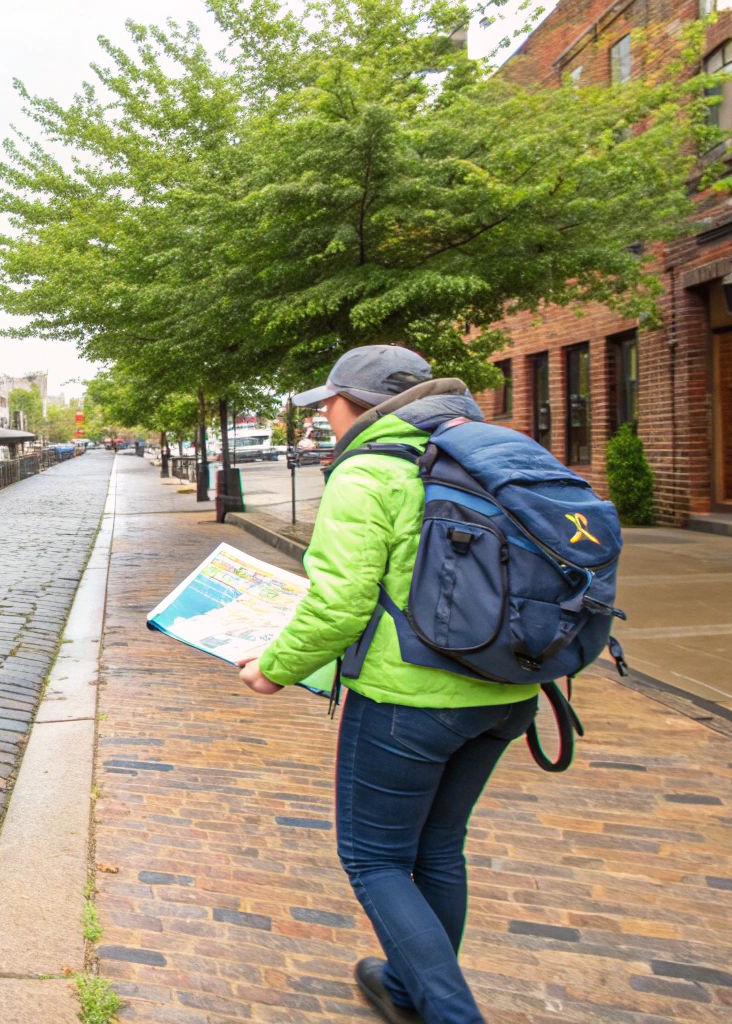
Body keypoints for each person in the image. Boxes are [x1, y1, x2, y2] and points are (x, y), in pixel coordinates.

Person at [236, 346, 541, 1024]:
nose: (325, 417)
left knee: (374, 859)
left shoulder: (370, 470)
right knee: (438, 847)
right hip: (508, 691)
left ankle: (451, 1013)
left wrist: (274, 670)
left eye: (329, 404)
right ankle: (407, 988)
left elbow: (339, 604)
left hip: (411, 702)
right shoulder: (487, 454)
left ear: (359, 405)